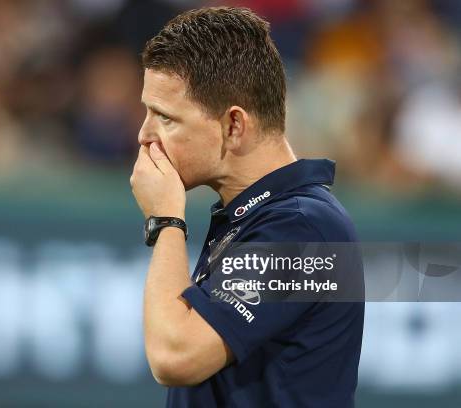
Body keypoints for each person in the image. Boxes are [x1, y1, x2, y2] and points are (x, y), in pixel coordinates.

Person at [130, 6, 364, 408]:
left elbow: (175, 357)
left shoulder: (305, 231)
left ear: (234, 126)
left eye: (165, 118)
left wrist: (166, 220)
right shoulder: (255, 214)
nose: (144, 135)